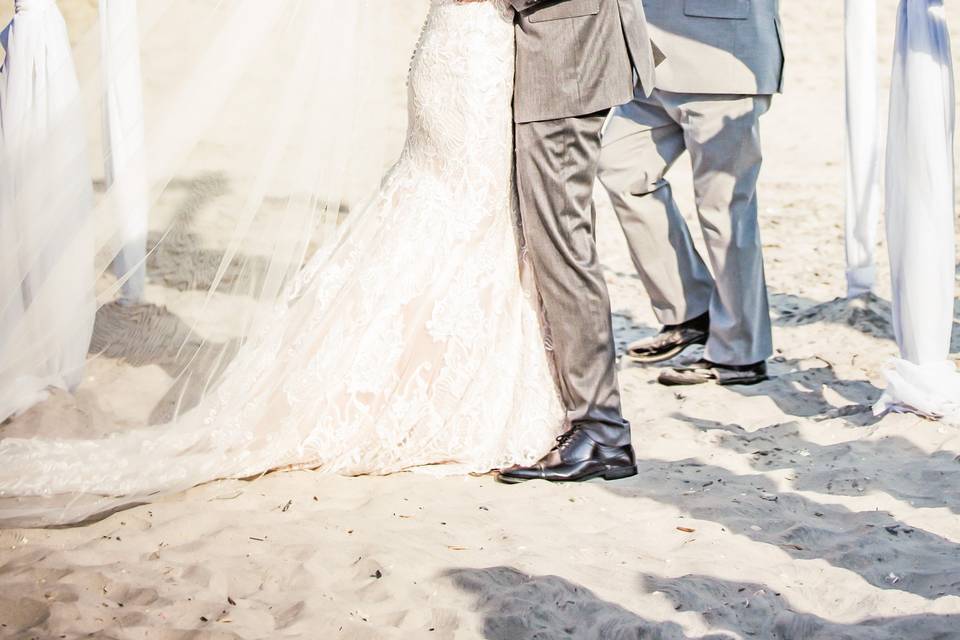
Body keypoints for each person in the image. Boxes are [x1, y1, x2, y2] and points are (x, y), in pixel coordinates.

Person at [0, 0, 594, 526]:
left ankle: (423, 369)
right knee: (466, 208)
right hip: (473, 54)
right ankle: (433, 384)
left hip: (462, 46)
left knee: (457, 211)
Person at [497, 0, 659, 484]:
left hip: (569, 59)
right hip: (548, 52)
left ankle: (602, 431)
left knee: (562, 245)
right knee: (541, 238)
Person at [597, 0, 784, 386]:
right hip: (652, 58)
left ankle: (740, 352)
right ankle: (689, 310)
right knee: (620, 167)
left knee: (724, 208)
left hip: (723, 57)